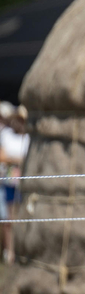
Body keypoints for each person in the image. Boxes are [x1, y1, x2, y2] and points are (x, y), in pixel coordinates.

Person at [0, 103, 29, 265]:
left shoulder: (29, 137)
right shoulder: (6, 136)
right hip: (9, 183)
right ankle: (9, 251)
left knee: (21, 217)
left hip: (24, 184)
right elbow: (2, 156)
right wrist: (16, 160)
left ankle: (20, 252)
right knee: (8, 219)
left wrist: (13, 159)